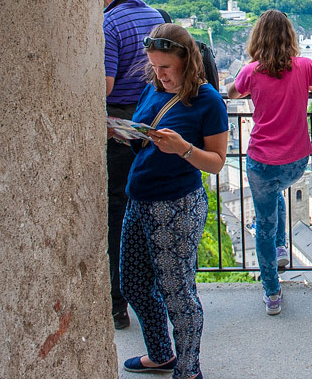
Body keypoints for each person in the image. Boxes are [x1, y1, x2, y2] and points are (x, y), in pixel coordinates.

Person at [119, 23, 228, 379]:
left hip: (177, 205)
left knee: (176, 290)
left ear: (186, 61)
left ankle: (188, 369)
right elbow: (143, 135)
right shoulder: (152, 89)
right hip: (140, 197)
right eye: (154, 65)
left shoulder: (207, 100)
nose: (159, 73)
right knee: (133, 283)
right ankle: (162, 354)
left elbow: (216, 162)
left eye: (166, 67)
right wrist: (128, 134)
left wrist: (182, 148)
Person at [228, 10, 312, 315]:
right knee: (278, 192)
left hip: (262, 160)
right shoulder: (306, 66)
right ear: (291, 37)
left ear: (257, 38)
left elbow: (231, 93)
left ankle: (272, 292)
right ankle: (282, 246)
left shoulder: (252, 71)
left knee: (263, 225)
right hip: (297, 160)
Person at [102, 0, 166, 330]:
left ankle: (117, 302)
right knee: (149, 208)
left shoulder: (109, 23)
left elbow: (105, 85)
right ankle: (154, 295)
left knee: (117, 211)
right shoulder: (154, 17)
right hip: (152, 118)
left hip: (120, 124)